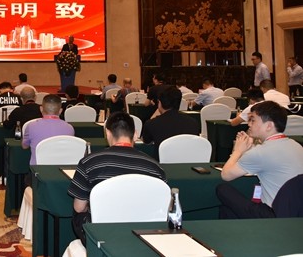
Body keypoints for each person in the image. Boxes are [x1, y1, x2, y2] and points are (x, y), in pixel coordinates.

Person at [68, 112, 166, 244]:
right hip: (144, 234)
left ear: (107, 134)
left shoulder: (89, 162)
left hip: (101, 234)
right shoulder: (155, 167)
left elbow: (79, 208)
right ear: (135, 134)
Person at [217, 101, 303, 219]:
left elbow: (226, 175)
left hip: (274, 214)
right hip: (298, 212)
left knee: (222, 189)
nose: (249, 124)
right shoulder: (296, 145)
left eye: (253, 120)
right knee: (227, 211)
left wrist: (238, 151)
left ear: (269, 126)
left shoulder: (261, 152)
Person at [142, 86, 200, 154]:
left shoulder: (151, 124)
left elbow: (146, 142)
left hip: (161, 160)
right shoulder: (193, 123)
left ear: (159, 103)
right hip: (187, 159)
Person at [22, 94, 75, 165]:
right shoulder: (70, 128)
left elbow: (24, 146)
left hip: (38, 169)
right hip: (60, 169)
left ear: (41, 109)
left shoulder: (31, 126)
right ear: (60, 111)